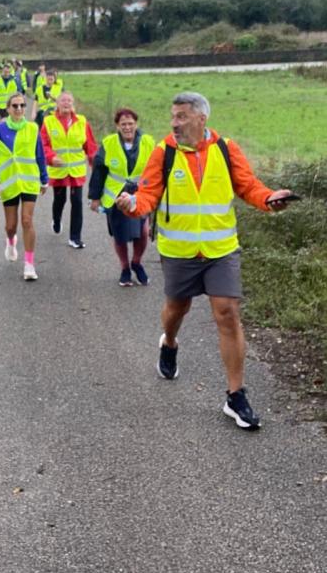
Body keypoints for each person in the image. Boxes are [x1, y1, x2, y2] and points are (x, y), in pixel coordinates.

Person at [115, 91, 295, 429]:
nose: (174, 123)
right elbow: (148, 194)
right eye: (173, 116)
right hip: (179, 251)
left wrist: (269, 198)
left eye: (182, 116)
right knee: (177, 309)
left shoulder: (225, 149)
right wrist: (133, 205)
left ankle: (236, 396)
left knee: (227, 313)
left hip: (220, 250)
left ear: (202, 118)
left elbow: (248, 186)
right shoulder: (164, 152)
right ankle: (169, 342)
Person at [88, 107, 155, 285]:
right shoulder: (109, 143)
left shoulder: (148, 142)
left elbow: (156, 170)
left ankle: (136, 262)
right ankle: (125, 268)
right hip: (116, 197)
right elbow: (98, 170)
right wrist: (95, 198)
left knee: (143, 232)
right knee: (120, 236)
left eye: (130, 124)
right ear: (117, 126)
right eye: (123, 124)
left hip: (140, 194)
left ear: (136, 124)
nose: (127, 127)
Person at [0, 92, 49, 280]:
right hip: (9, 183)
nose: (19, 109)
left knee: (27, 221)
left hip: (29, 181)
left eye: (22, 105)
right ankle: (10, 240)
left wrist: (44, 178)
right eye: (14, 106)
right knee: (11, 226)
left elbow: (39, 154)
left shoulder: (32, 128)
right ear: (7, 109)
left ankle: (29, 265)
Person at [40, 91, 97, 249]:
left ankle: (75, 238)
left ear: (73, 104)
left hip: (76, 171)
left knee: (77, 202)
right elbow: (42, 145)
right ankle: (56, 219)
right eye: (63, 101)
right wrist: (51, 157)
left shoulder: (82, 121)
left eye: (69, 101)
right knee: (60, 200)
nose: (66, 103)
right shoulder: (49, 121)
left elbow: (90, 145)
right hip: (58, 170)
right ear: (57, 104)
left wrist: (95, 165)